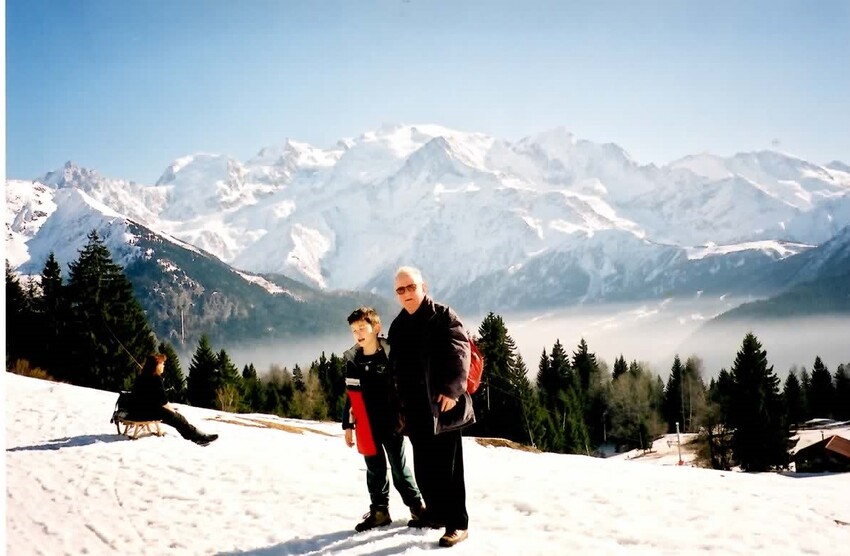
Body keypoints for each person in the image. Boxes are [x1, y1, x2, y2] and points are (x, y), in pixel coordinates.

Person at [387, 266, 474, 548]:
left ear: (424, 286)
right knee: (424, 467)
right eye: (401, 289)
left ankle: (457, 524)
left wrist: (451, 391)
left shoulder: (444, 316)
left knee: (449, 470)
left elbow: (461, 353)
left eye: (411, 287)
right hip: (414, 409)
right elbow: (395, 369)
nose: (406, 293)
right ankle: (435, 514)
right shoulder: (398, 326)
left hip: (443, 406)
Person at [342, 307, 426, 532]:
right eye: (354, 330)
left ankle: (417, 507)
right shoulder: (354, 359)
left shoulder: (390, 354)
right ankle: (380, 511)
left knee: (399, 467)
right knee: (374, 469)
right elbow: (351, 395)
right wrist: (348, 425)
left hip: (392, 422)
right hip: (365, 425)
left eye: (362, 327)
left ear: (376, 327)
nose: (358, 333)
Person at [129, 353, 218, 446]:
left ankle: (198, 436)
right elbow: (163, 401)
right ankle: (200, 437)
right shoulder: (156, 379)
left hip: (138, 410)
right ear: (156, 365)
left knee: (178, 419)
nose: (163, 366)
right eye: (162, 363)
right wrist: (172, 411)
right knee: (179, 419)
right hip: (149, 412)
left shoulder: (141, 377)